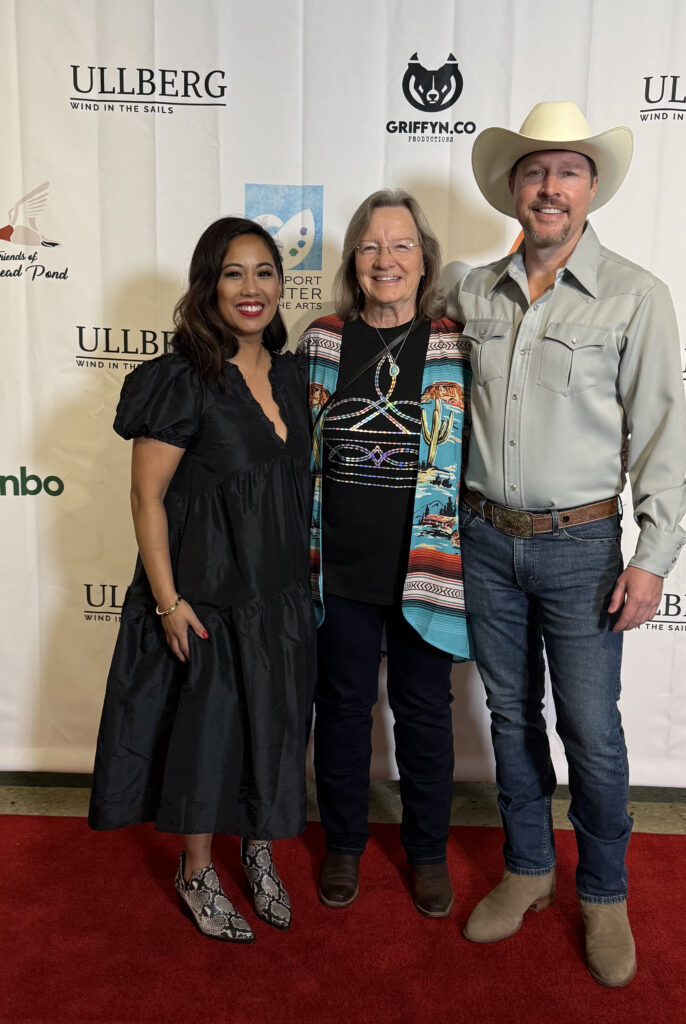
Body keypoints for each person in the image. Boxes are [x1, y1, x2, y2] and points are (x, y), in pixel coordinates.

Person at [453, 102, 686, 985]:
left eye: (567, 172)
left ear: (591, 190)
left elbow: (662, 435)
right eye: (535, 172)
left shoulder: (636, 295)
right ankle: (526, 869)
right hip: (483, 542)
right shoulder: (471, 290)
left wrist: (653, 556)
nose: (549, 187)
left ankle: (603, 892)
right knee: (511, 718)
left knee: (589, 731)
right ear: (514, 189)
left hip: (583, 548)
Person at [88, 217, 315, 944]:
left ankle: (257, 848)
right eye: (233, 273)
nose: (252, 289)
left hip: (279, 597)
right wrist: (168, 602)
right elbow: (145, 497)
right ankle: (195, 871)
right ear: (208, 285)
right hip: (209, 598)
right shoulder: (180, 379)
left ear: (282, 283)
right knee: (207, 739)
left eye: (264, 272)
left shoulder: (290, 372)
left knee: (273, 732)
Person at [297, 189, 471, 918]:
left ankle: (427, 853)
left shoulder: (453, 343)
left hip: (426, 567)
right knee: (340, 711)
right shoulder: (323, 340)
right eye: (371, 247)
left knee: (425, 714)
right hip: (338, 568)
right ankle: (343, 843)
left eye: (401, 245)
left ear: (424, 257)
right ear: (354, 261)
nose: (386, 259)